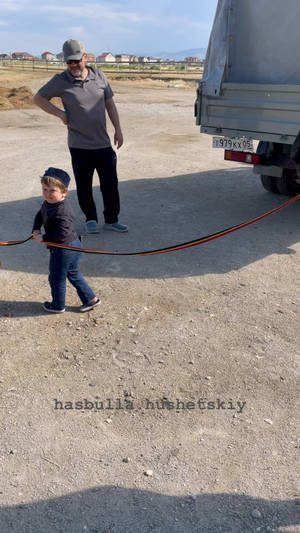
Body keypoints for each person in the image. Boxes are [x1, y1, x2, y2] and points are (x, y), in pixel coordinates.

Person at [33, 39, 128, 235]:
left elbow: (110, 104)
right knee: (84, 186)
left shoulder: (99, 76)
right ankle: (90, 219)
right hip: (79, 145)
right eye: (69, 62)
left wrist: (118, 129)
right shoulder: (61, 80)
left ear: (85, 58)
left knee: (110, 184)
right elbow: (39, 98)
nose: (73, 65)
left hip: (103, 143)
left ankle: (111, 219)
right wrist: (60, 113)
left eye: (77, 60)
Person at [32, 167, 101, 314]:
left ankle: (58, 305)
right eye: (45, 189)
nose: (47, 194)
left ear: (64, 192)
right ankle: (91, 299)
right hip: (69, 246)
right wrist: (36, 228)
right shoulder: (48, 203)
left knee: (56, 278)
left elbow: (62, 234)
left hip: (65, 248)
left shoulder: (63, 211)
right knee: (73, 274)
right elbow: (40, 214)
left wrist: (43, 238)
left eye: (52, 190)